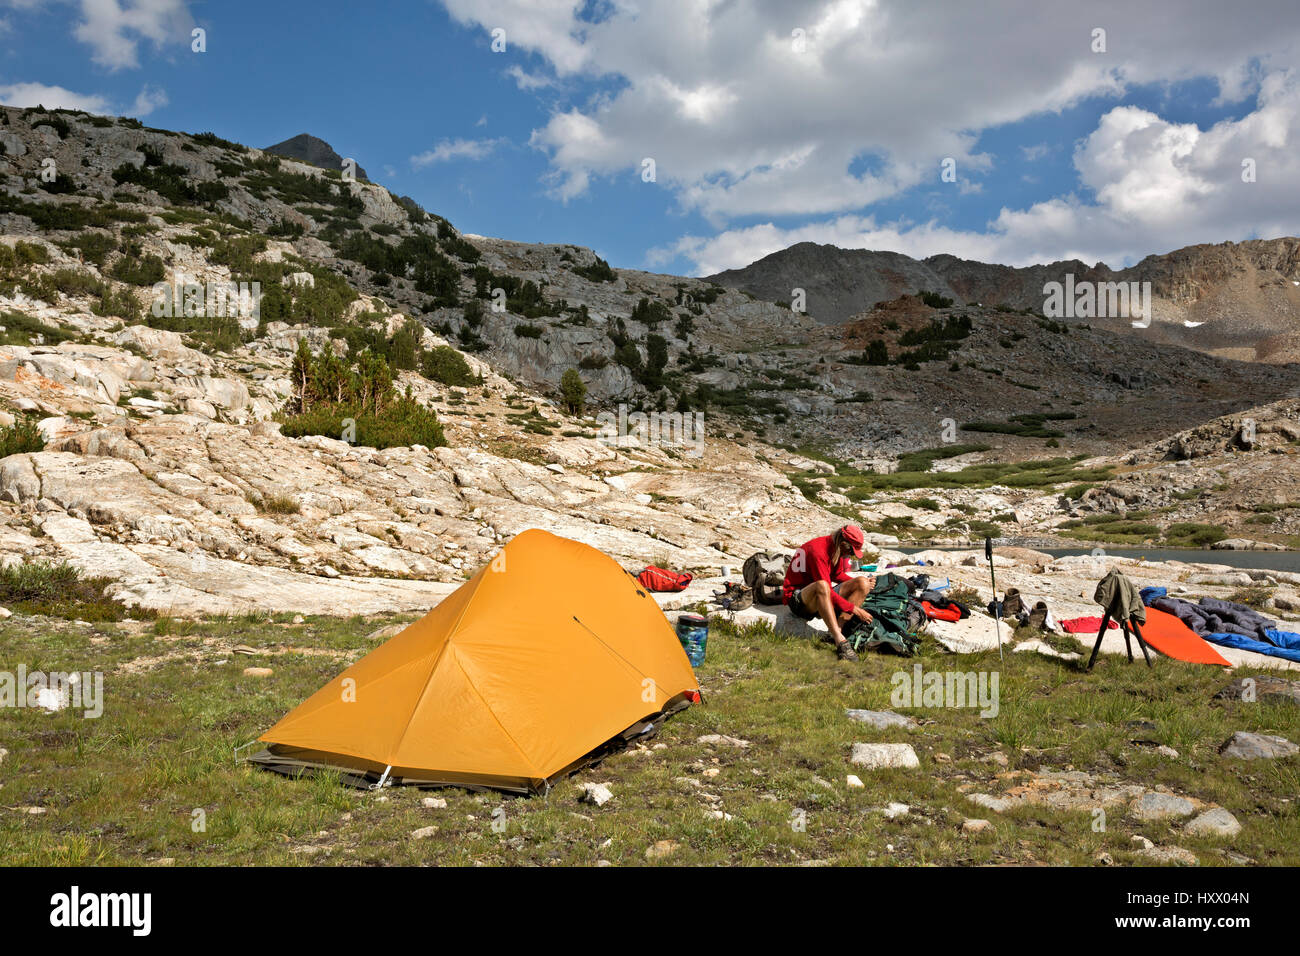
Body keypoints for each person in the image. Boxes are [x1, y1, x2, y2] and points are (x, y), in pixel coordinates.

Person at [782, 524, 875, 661]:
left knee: (862, 583)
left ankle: (836, 631)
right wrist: (854, 609)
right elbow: (825, 589)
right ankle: (840, 641)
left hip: (818, 596)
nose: (851, 555)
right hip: (798, 600)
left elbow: (837, 575)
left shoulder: (835, 548)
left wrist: (863, 583)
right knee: (823, 585)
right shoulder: (819, 551)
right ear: (843, 543)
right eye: (851, 551)